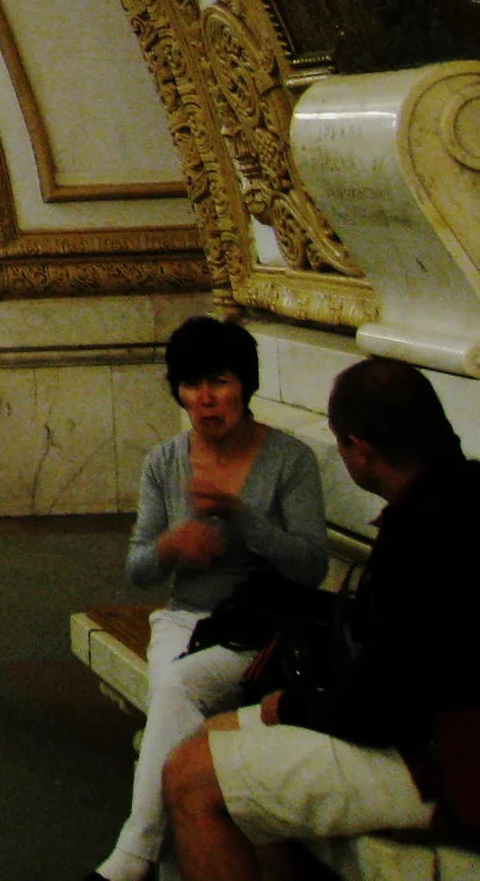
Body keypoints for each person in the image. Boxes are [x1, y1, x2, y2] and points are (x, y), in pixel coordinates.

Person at [165, 357, 480, 879]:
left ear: (361, 450)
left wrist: (286, 706)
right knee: (221, 741)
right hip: (431, 726)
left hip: (449, 758)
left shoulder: (424, 541)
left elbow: (381, 712)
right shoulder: (457, 494)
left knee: (190, 776)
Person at [86, 317, 324, 881]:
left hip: (259, 629)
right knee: (176, 697)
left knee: (176, 688)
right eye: (191, 386)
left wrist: (242, 519)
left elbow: (311, 567)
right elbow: (138, 569)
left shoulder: (289, 461)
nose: (205, 400)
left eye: (218, 382)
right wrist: (172, 546)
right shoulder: (164, 462)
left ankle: (132, 855)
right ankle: (164, 868)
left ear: (244, 384)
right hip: (184, 620)